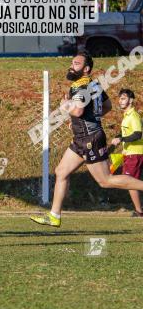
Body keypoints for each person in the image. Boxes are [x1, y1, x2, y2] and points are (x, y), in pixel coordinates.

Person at [32, 54, 143, 227]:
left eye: (76, 63)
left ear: (86, 69)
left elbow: (77, 111)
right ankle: (54, 215)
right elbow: (107, 106)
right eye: (72, 62)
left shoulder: (80, 86)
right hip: (82, 138)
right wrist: (86, 122)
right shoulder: (94, 84)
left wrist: (65, 105)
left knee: (105, 180)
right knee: (61, 172)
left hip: (89, 139)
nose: (71, 66)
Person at [110, 89, 143, 217]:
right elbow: (128, 132)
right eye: (120, 98)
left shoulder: (133, 115)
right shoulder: (127, 115)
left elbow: (137, 134)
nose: (120, 100)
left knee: (130, 182)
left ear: (131, 100)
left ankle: (139, 211)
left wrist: (122, 139)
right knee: (131, 182)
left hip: (134, 154)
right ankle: (139, 210)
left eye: (123, 98)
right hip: (130, 153)